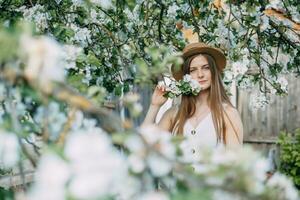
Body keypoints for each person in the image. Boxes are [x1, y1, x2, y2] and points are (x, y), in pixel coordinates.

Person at [142, 42, 243, 148]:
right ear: (186, 76)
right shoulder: (174, 114)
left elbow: (234, 161)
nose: (200, 74)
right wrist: (154, 106)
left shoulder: (227, 113)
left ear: (213, 72)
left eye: (206, 68)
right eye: (193, 70)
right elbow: (144, 147)